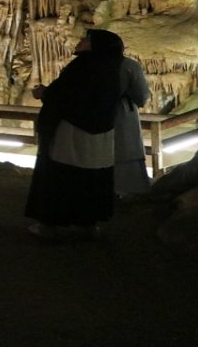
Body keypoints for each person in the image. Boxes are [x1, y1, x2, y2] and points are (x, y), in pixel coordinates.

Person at [25, 29, 127, 240]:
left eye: (86, 39)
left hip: (72, 131)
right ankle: (89, 224)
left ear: (94, 46)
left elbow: (63, 94)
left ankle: (49, 225)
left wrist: (43, 93)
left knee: (62, 177)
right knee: (93, 179)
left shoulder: (82, 66)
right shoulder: (111, 68)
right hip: (101, 133)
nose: (80, 41)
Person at [108, 37, 151, 196]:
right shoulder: (130, 66)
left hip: (96, 113)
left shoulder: (89, 65)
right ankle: (129, 189)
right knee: (126, 148)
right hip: (123, 113)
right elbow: (142, 94)